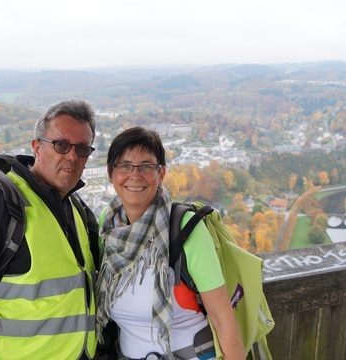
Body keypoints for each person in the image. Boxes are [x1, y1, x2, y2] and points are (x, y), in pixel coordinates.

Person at [0, 99, 99, 360]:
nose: (71, 156)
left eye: (82, 149)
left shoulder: (76, 209)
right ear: (37, 147)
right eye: (61, 145)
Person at [95, 127, 245, 360]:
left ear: (161, 173)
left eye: (146, 166)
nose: (135, 175)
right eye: (124, 165)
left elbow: (223, 318)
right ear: (110, 173)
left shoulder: (185, 228)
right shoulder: (108, 224)